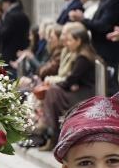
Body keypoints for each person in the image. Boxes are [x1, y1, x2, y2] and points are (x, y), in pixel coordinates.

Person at [38, 22, 100, 150]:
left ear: (78, 41)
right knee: (53, 92)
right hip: (81, 90)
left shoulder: (83, 56)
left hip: (86, 94)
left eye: (70, 40)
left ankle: (52, 133)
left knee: (53, 91)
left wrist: (61, 84)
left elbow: (71, 80)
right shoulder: (83, 53)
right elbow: (73, 80)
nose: (67, 43)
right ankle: (51, 131)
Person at [70, 0, 119, 96]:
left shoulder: (114, 0)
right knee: (104, 86)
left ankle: (116, 114)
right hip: (102, 50)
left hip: (109, 51)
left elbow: (103, 26)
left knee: (110, 87)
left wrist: (83, 19)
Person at [0, 0, 31, 76]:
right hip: (21, 52)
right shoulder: (23, 14)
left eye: (3, 4)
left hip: (9, 54)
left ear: (7, 3)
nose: (2, 6)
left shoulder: (10, 15)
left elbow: (4, 34)